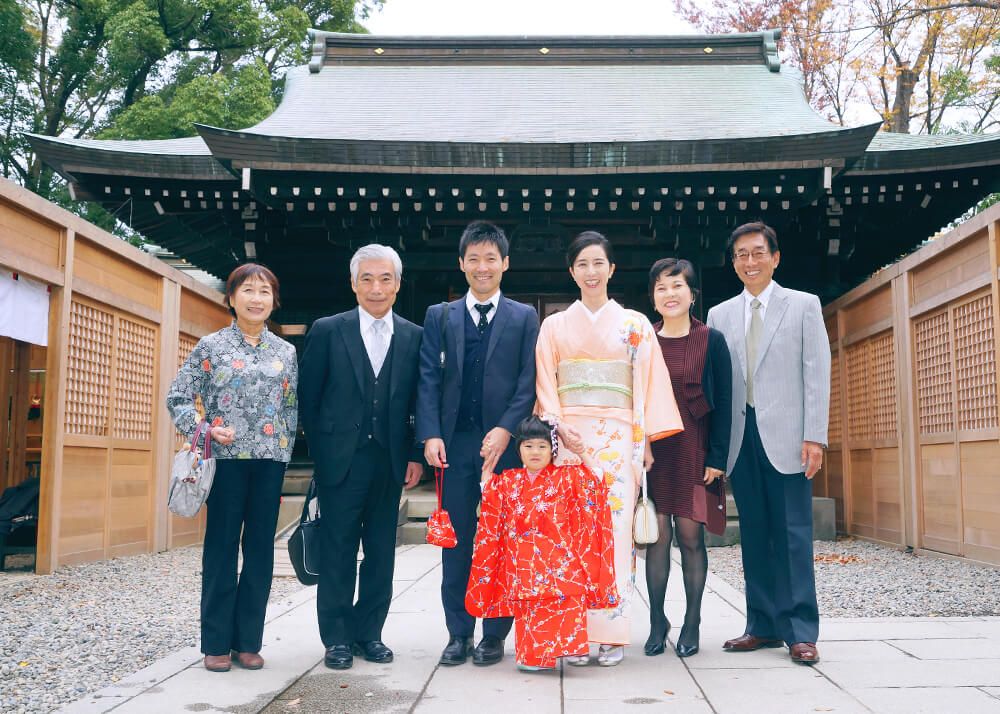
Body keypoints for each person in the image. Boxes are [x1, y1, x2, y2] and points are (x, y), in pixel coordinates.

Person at [535, 230, 683, 666]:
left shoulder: (635, 325)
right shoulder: (554, 326)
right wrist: (560, 428)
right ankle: (574, 634)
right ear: (572, 272)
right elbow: (546, 385)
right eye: (582, 264)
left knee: (616, 537)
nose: (591, 271)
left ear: (611, 269)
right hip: (569, 444)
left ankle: (613, 634)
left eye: (599, 263)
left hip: (620, 441)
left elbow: (649, 386)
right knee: (570, 537)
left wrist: (645, 441)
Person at [706, 221, 831, 666]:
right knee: (756, 534)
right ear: (734, 262)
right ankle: (761, 624)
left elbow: (816, 372)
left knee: (794, 534)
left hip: (789, 437)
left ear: (775, 258)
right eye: (741, 254)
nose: (750, 261)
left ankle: (800, 630)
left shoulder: (803, 305)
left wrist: (815, 435)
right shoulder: (719, 315)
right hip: (742, 438)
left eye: (758, 252)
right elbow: (719, 386)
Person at [415, 221, 539, 667]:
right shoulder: (440, 316)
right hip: (454, 444)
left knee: (502, 540)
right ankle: (458, 632)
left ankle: (494, 634)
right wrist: (429, 433)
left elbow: (529, 381)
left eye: (491, 258)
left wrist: (508, 429)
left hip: (504, 447)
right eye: (474, 258)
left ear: (505, 264)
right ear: (461, 263)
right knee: (458, 541)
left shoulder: (524, 317)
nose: (482, 267)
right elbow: (428, 377)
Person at [166, 263, 298, 673]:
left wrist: (284, 453)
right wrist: (204, 430)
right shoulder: (211, 347)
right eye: (248, 290)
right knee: (222, 549)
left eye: (264, 291)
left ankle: (248, 642)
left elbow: (291, 408)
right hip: (224, 462)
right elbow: (178, 398)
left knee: (260, 552)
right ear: (231, 297)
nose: (256, 298)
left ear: (274, 301)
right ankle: (217, 642)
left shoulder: (286, 351)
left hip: (269, 463)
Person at [298, 244, 424, 671]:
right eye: (367, 279)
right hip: (341, 461)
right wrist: (324, 452)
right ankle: (336, 637)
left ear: (398, 284)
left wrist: (413, 454)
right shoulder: (328, 330)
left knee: (380, 551)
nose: (376, 287)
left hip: (389, 459)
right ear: (353, 284)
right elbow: (309, 400)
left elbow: (416, 401)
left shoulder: (413, 335)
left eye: (385, 279)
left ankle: (369, 632)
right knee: (338, 549)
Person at [466, 416, 618, 671]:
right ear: (519, 450)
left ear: (553, 451)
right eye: (528, 446)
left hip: (561, 563)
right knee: (531, 612)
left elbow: (596, 480)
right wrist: (486, 474)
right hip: (525, 565)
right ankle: (534, 657)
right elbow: (491, 499)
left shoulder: (567, 477)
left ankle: (568, 649)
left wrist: (582, 453)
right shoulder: (509, 480)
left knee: (566, 606)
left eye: (542, 446)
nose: (535, 452)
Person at [644, 258, 732, 659]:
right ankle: (657, 621)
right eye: (661, 287)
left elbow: (725, 404)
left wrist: (718, 457)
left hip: (697, 451)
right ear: (654, 297)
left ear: (692, 294)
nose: (670, 294)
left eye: (677, 286)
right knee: (657, 537)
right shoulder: (644, 340)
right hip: (655, 454)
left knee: (692, 537)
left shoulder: (711, 339)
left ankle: (692, 621)